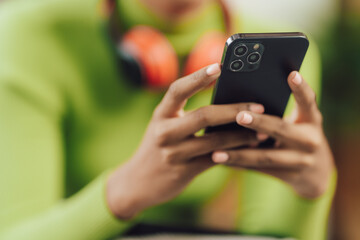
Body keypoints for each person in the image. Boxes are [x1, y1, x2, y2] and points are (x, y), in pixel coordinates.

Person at [0, 0, 336, 239]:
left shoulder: (276, 45)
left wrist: (312, 191)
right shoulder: (25, 34)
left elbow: (271, 235)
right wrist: (123, 192)